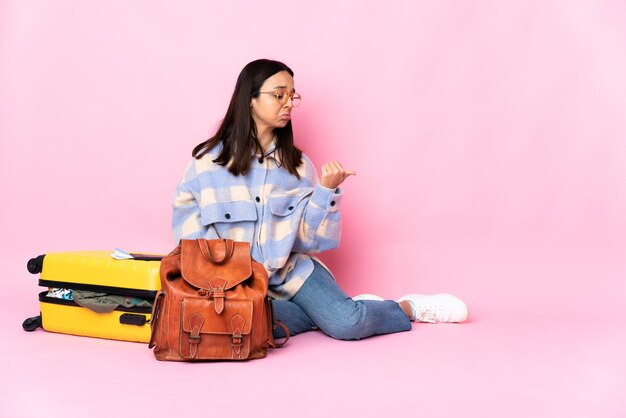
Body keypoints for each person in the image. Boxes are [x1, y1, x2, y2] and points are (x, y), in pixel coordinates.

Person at [171, 58, 468, 341]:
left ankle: (405, 308)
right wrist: (230, 283)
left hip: (291, 274)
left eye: (292, 96)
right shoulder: (205, 164)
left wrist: (325, 191)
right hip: (234, 283)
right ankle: (324, 312)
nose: (289, 103)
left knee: (346, 323)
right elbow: (189, 238)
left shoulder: (298, 166)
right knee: (239, 323)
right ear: (250, 98)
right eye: (279, 94)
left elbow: (315, 241)